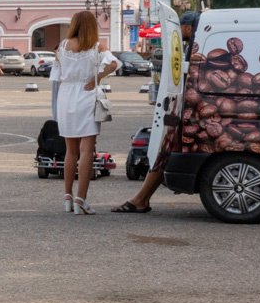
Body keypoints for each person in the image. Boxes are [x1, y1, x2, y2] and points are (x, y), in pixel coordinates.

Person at [114, 11, 200, 213]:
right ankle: (141, 199)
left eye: (182, 28)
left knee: (165, 151)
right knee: (165, 152)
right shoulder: (195, 44)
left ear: (188, 27)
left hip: (186, 111)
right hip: (184, 108)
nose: (180, 31)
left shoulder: (195, 45)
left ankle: (140, 199)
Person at [51, 11, 120, 214]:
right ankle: (80, 199)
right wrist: (97, 78)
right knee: (86, 150)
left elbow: (56, 76)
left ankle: (67, 197)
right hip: (86, 95)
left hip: (66, 96)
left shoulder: (62, 46)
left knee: (70, 151)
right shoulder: (96, 46)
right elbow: (114, 63)